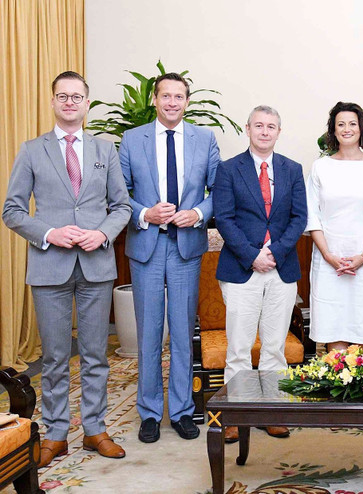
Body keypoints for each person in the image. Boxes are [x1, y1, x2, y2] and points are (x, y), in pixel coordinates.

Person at [2, 71, 131, 466]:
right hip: (49, 267)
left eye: (77, 96)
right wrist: (50, 232)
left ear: (87, 103)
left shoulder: (104, 150)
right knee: (56, 358)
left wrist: (103, 234)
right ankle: (56, 434)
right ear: (53, 102)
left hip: (96, 266)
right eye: (63, 96)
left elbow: (122, 206)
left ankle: (95, 430)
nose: (70, 102)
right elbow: (12, 210)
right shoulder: (31, 150)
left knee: (95, 355)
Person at [119, 72, 221, 444]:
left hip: (186, 246)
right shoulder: (132, 139)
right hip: (147, 245)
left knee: (181, 331)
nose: (172, 102)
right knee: (149, 333)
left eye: (179, 97)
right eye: (166, 96)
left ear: (187, 102)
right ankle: (149, 412)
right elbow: (119, 193)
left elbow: (217, 190)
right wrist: (145, 213)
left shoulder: (204, 139)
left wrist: (198, 214)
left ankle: (179, 411)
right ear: (155, 100)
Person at [213, 105, 307, 442]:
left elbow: (299, 218)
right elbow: (223, 218)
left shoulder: (292, 169)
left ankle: (273, 412)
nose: (265, 131)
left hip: (281, 269)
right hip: (241, 269)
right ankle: (235, 416)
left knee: (274, 348)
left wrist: (274, 252)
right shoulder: (228, 170)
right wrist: (253, 256)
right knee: (239, 347)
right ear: (248, 129)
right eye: (259, 125)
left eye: (271, 126)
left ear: (279, 132)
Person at [305, 101, 363, 352]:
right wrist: (328, 256)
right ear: (333, 130)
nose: (347, 129)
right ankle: (338, 387)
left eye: (352, 124)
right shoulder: (320, 167)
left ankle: (362, 388)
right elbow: (312, 216)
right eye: (340, 124)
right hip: (328, 262)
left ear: (362, 128)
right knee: (333, 332)